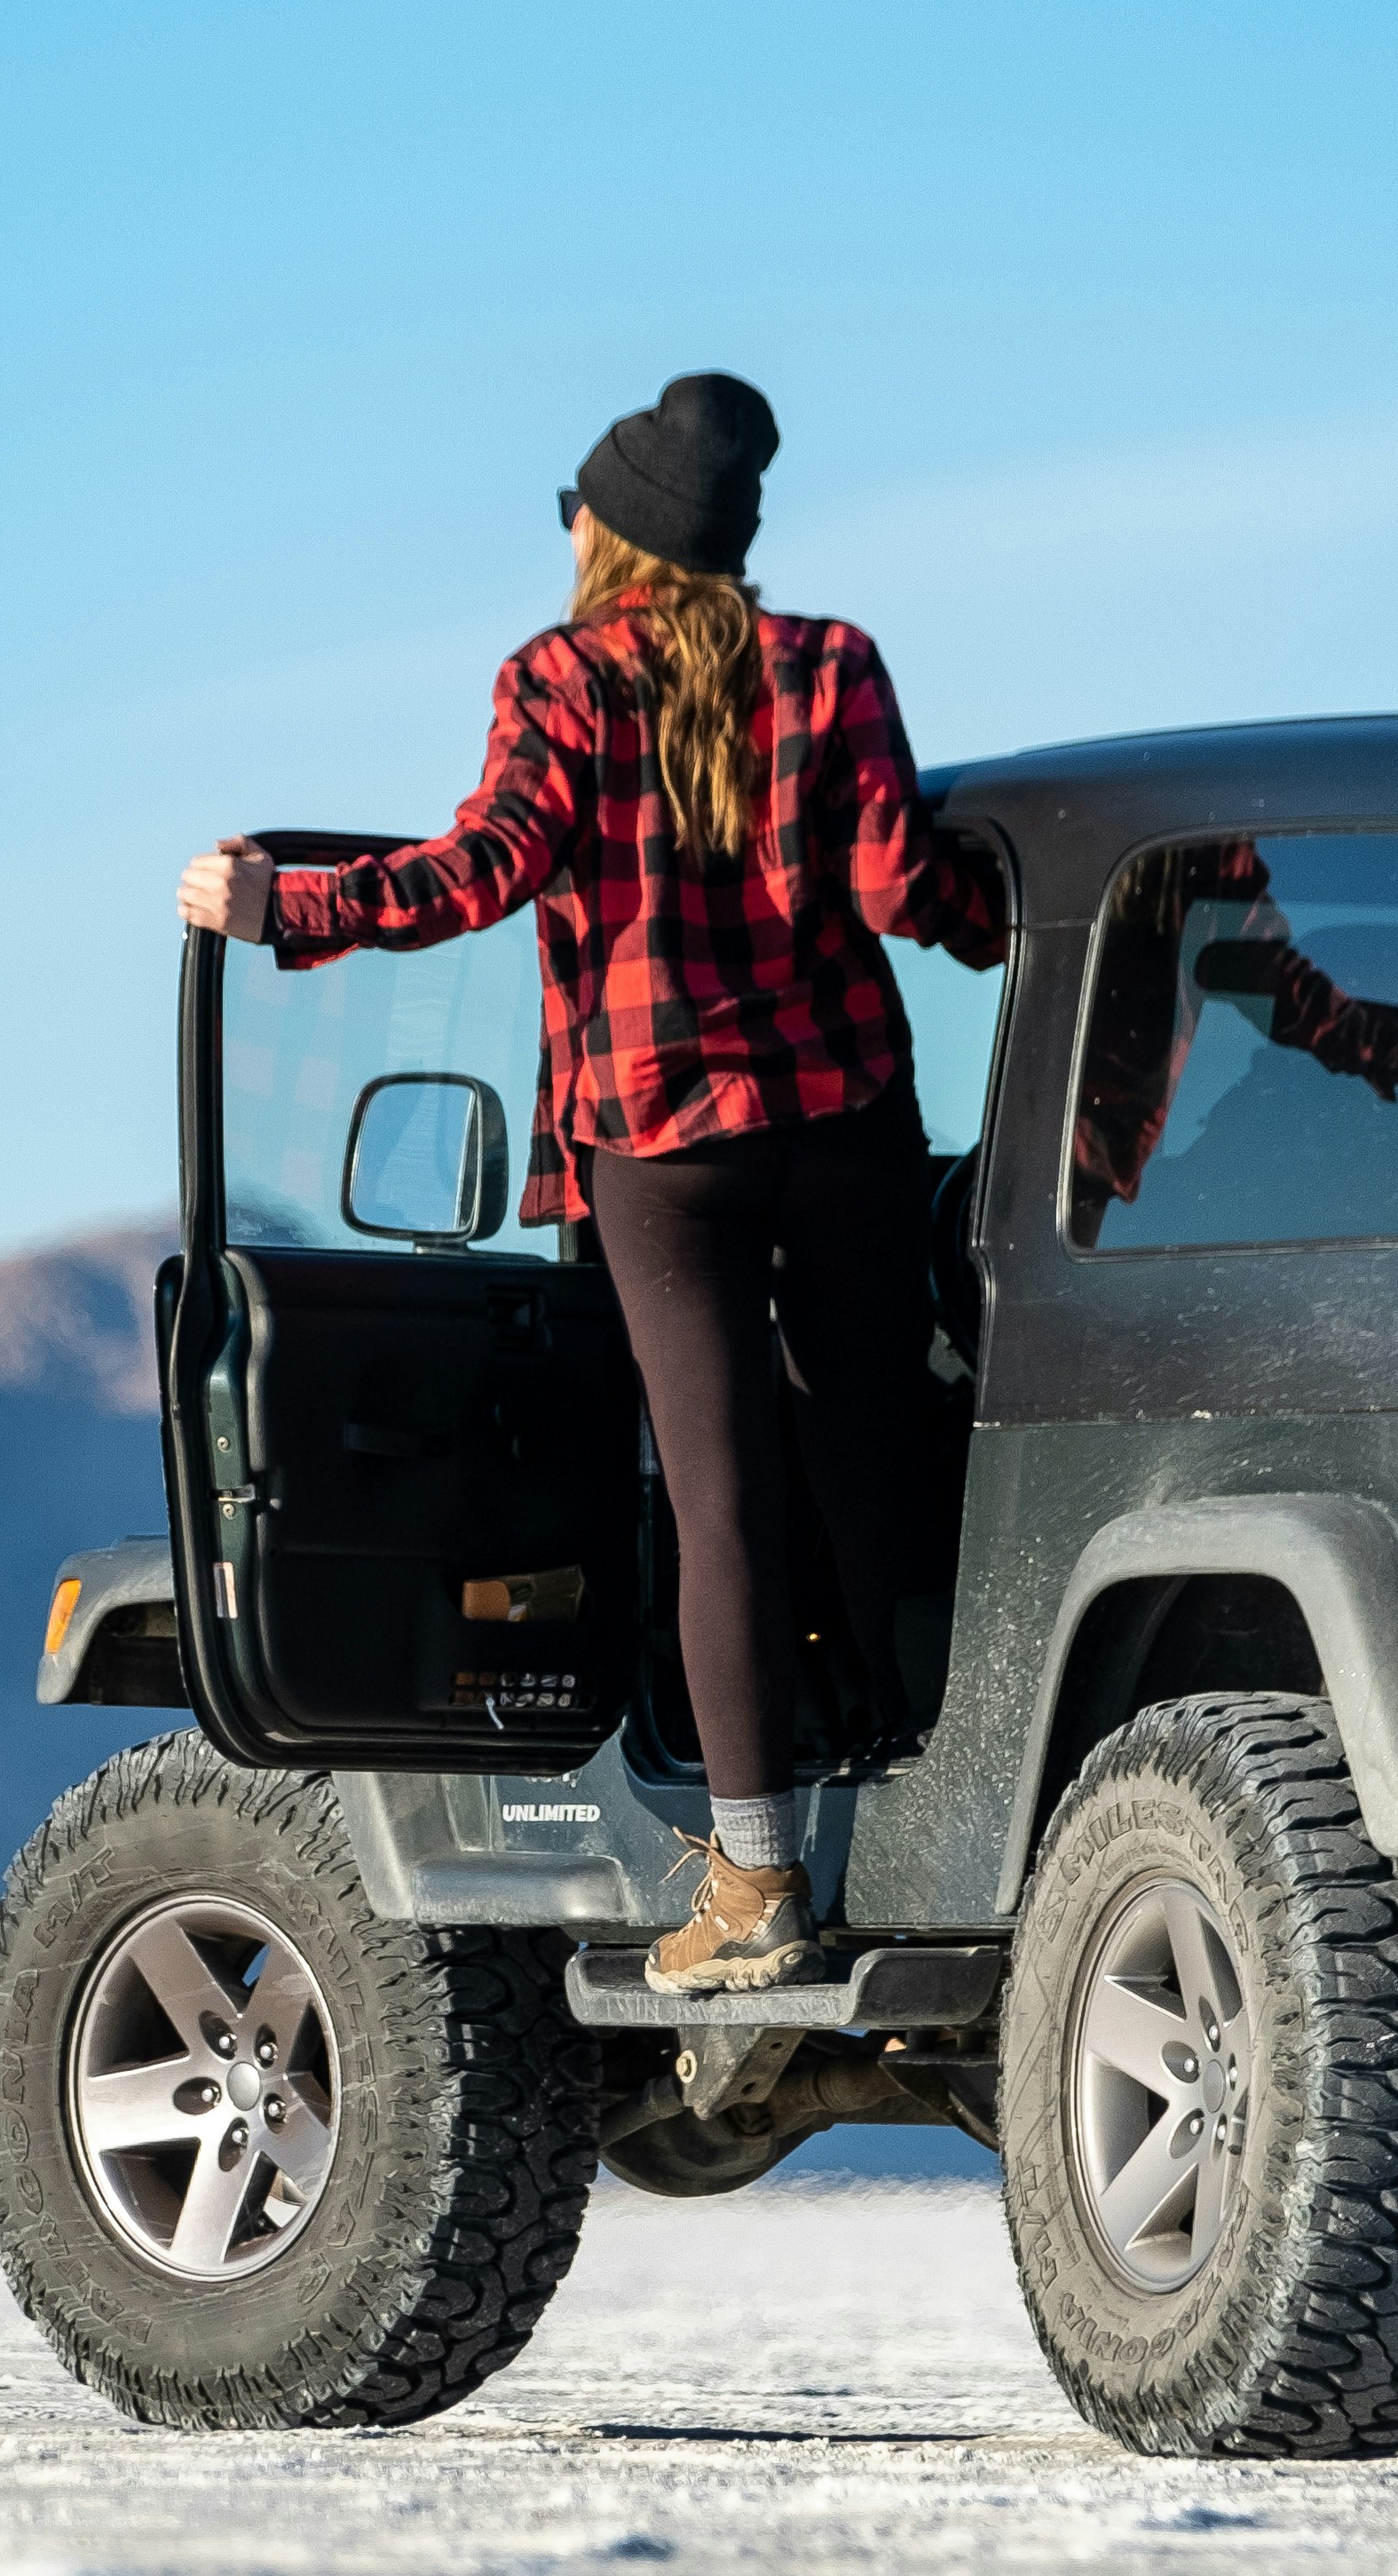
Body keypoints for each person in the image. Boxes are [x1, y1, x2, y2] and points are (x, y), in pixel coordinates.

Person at [178, 375, 1000, 1993]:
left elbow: (483, 868)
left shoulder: (560, 680)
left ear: (612, 534)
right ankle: (947, 1798)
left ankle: (757, 1882)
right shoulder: (831, 664)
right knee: (877, 1455)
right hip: (844, 1114)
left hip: (662, 1140)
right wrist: (1019, 924)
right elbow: (906, 888)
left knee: (719, 1497)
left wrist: (288, 907)